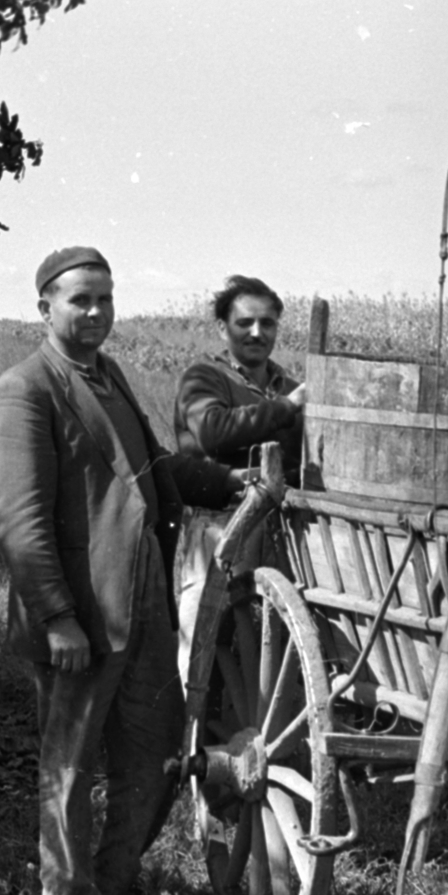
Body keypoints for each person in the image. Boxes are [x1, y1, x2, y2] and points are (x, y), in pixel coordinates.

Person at [0, 246, 238, 895]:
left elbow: (152, 469)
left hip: (144, 604)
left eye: (105, 298)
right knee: (67, 761)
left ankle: (114, 878)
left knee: (154, 748)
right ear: (45, 308)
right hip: (81, 615)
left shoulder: (110, 377)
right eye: (80, 300)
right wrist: (58, 616)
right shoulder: (25, 389)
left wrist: (227, 485)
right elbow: (19, 518)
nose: (96, 312)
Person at [171, 275, 306, 668]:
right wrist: (285, 408)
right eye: (245, 322)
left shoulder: (287, 385)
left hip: (281, 531)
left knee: (264, 645)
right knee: (205, 638)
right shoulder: (204, 377)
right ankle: (192, 727)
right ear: (222, 328)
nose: (257, 332)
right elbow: (213, 432)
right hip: (220, 526)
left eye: (267, 323)